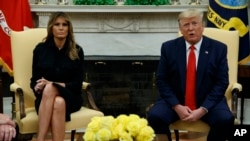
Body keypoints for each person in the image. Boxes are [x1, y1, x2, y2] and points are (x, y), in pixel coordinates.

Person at [147, 9, 234, 141]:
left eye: (194, 23)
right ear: (180, 29)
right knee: (155, 116)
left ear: (202, 26)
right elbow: (162, 80)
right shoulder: (168, 48)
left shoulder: (218, 49)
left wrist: (203, 109)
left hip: (208, 101)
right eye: (186, 25)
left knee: (225, 119)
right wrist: (177, 106)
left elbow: (221, 82)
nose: (191, 28)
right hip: (176, 100)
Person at [30, 12, 84, 141]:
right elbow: (34, 80)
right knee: (58, 102)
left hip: (71, 97)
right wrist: (37, 87)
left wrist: (53, 84)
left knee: (50, 87)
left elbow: (77, 85)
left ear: (68, 28)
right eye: (57, 24)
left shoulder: (77, 51)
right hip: (45, 100)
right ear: (51, 28)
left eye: (64, 25)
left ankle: (40, 138)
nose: (61, 28)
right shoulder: (40, 50)